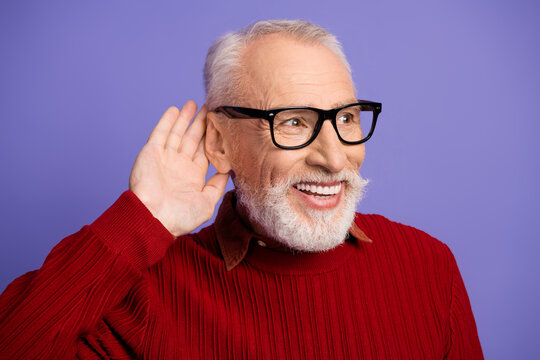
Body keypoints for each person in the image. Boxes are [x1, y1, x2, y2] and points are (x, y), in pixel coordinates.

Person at [0, 20, 483, 359]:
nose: (335, 159)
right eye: (294, 122)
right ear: (220, 141)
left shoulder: (428, 266)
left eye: (346, 119)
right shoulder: (151, 293)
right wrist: (139, 223)